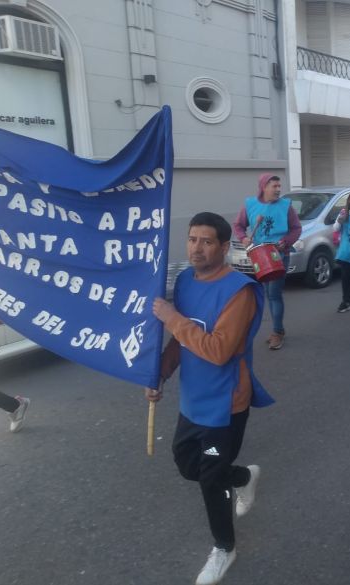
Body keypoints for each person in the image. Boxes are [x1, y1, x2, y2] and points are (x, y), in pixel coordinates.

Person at [146, 212, 274, 585]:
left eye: (205, 241)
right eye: (191, 239)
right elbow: (181, 341)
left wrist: (171, 317)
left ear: (222, 246)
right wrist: (161, 374)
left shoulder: (240, 291)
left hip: (226, 402)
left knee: (209, 479)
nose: (196, 248)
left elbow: (218, 351)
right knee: (188, 466)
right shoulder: (185, 280)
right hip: (193, 398)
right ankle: (243, 476)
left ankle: (224, 547)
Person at [233, 174, 302, 350]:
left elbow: (296, 228)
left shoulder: (286, 206)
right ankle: (278, 330)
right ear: (264, 187)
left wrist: (286, 241)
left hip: (278, 254)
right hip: (258, 256)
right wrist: (243, 238)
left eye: (279, 186)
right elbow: (238, 225)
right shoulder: (250, 205)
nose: (279, 189)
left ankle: (277, 332)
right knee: (268, 292)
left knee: (274, 293)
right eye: (275, 186)